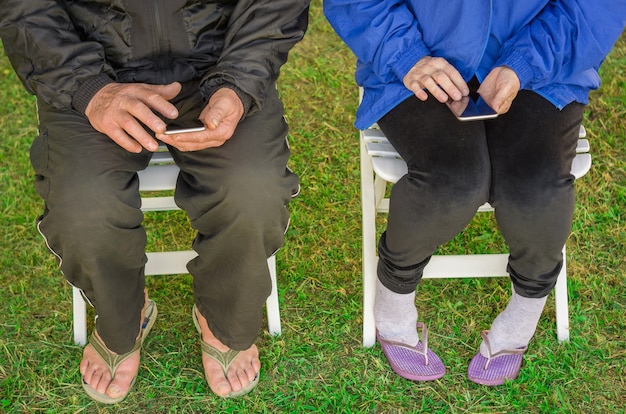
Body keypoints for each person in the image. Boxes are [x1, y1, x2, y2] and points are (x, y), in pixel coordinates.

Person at [0, 0, 310, 403]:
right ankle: (124, 320)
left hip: (219, 61)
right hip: (93, 68)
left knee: (253, 191)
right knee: (83, 207)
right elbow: (24, 7)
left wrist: (238, 84)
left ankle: (223, 320)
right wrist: (89, 90)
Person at [324, 0, 625, 385]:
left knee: (535, 188)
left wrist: (524, 63)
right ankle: (394, 300)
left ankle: (524, 311)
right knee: (452, 180)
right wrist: (409, 56)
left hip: (543, 65)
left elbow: (595, 7)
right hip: (418, 62)